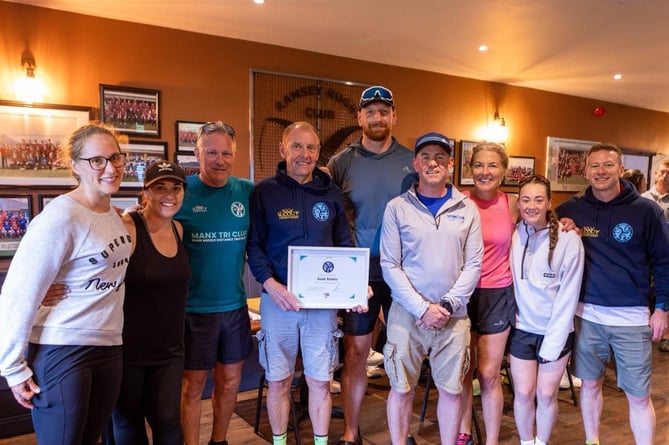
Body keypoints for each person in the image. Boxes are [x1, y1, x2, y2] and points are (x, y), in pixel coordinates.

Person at [0, 122, 132, 444]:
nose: (110, 168)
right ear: (74, 165)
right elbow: (18, 293)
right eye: (96, 160)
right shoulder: (61, 217)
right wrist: (12, 367)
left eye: (115, 158)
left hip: (109, 346)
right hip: (63, 347)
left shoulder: (115, 217)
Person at [247, 122, 365, 445]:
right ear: (283, 150)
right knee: (279, 381)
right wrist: (271, 285)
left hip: (321, 306)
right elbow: (254, 247)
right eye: (297, 146)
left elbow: (345, 244)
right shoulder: (264, 193)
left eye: (311, 147)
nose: (305, 154)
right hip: (278, 301)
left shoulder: (331, 194)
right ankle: (281, 442)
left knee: (320, 383)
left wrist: (356, 285)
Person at [556, 143, 669, 445]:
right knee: (590, 385)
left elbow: (664, 261)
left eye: (608, 165)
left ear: (620, 169)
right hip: (586, 316)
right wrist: (559, 227)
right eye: (594, 166)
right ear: (585, 171)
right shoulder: (571, 209)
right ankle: (592, 441)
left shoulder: (647, 211)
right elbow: (539, 232)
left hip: (631, 319)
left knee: (638, 395)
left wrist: (662, 308)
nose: (601, 171)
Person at [380, 132, 483, 444]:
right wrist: (422, 308)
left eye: (440, 157)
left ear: (450, 164)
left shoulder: (468, 208)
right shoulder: (397, 207)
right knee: (401, 388)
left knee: (451, 391)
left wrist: (448, 306)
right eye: (426, 157)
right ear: (415, 164)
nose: (433, 162)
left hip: (454, 318)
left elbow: (473, 264)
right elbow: (389, 264)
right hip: (407, 315)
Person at [327, 85, 416, 445]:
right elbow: (328, 216)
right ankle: (351, 434)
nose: (377, 117)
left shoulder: (412, 160)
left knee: (403, 354)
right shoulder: (341, 162)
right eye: (370, 111)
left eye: (384, 111)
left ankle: (402, 432)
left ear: (394, 116)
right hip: (358, 273)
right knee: (356, 355)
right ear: (359, 117)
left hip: (404, 274)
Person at [175, 121, 255, 445]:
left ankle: (218, 441)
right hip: (194, 309)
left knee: (230, 382)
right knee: (193, 386)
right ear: (197, 153)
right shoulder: (180, 191)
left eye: (225, 153)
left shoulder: (247, 191)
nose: (219, 160)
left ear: (234, 154)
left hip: (234, 307)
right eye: (211, 152)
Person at [111, 160, 191, 444]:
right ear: (145, 192)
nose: (169, 195)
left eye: (176, 188)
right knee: (129, 423)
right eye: (160, 188)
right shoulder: (127, 228)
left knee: (168, 423)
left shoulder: (179, 230)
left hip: (170, 349)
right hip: (128, 351)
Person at [508, 175, 584, 445]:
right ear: (518, 202)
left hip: (556, 331)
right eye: (526, 199)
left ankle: (542, 443)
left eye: (539, 200)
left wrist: (552, 344)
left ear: (550, 203)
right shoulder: (515, 232)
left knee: (546, 394)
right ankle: (526, 442)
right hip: (522, 330)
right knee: (524, 394)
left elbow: (568, 298)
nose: (531, 205)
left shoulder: (568, 239)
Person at [458, 142, 518, 445]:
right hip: (462, 296)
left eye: (493, 165)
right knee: (464, 372)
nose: (485, 171)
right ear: (470, 169)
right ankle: (464, 433)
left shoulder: (514, 203)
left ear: (504, 171)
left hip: (498, 295)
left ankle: (492, 440)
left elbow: (546, 226)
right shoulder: (457, 202)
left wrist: (568, 223)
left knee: (489, 373)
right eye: (479, 165)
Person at [641, 159, 669, 352]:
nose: (665, 176)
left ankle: (665, 334)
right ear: (656, 174)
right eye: (662, 172)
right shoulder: (642, 199)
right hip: (644, 257)